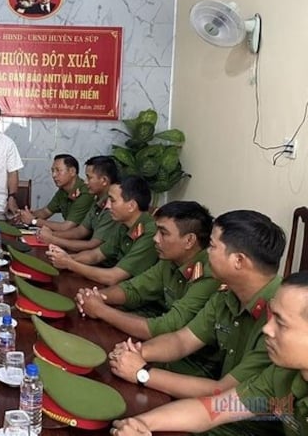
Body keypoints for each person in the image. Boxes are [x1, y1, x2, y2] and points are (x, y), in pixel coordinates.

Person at [107, 210, 284, 435]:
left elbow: (222, 392)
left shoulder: (280, 318)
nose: (206, 253)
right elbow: (182, 339)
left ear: (238, 260)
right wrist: (138, 353)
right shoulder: (228, 294)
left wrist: (142, 373)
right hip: (226, 407)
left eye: (212, 246)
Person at [112, 271, 308, 436]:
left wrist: (142, 373)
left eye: (280, 323)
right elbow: (213, 409)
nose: (267, 329)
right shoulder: (281, 374)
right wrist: (141, 423)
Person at [76, 201, 222, 377]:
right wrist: (95, 297)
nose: (155, 238)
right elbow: (133, 289)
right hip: (164, 348)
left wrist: (101, 310)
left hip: (195, 364)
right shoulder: (170, 261)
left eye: (163, 233)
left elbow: (166, 327)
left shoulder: (209, 274)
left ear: (189, 240)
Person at [46, 176, 158, 286]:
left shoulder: (150, 233)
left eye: (112, 200)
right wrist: (65, 258)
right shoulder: (124, 224)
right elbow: (96, 255)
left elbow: (112, 277)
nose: (108, 206)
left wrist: (69, 264)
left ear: (131, 206)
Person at [38, 155, 119, 252]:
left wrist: (53, 239)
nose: (85, 182)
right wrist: (51, 235)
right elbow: (80, 231)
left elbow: (92, 245)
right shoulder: (99, 200)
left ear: (104, 180)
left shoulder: (113, 206)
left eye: (89, 178)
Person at [17, 154, 93, 231]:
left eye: (58, 170)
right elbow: (46, 212)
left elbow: (66, 227)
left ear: (72, 171)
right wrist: (24, 215)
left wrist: (33, 220)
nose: (54, 175)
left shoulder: (85, 193)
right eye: (52, 171)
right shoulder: (63, 191)